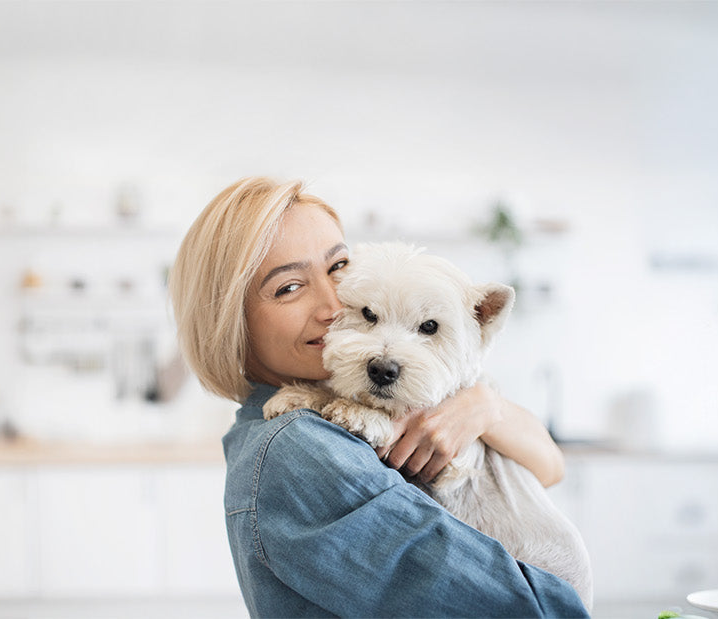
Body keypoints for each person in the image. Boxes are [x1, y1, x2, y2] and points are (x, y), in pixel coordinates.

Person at [169, 177, 588, 618]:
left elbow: (550, 466)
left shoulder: (302, 416)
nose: (333, 304)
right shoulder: (298, 446)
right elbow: (535, 610)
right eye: (289, 287)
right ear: (229, 320)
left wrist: (483, 405)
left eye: (338, 267)